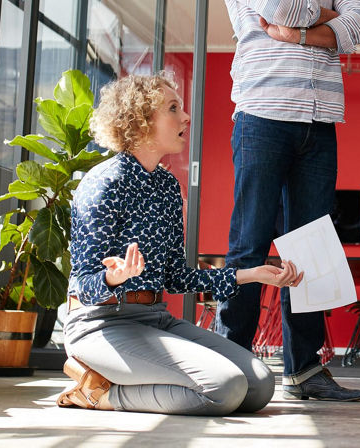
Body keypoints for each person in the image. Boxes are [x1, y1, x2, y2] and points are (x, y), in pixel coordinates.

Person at [216, 0, 360, 401]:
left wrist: (299, 32)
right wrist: (324, 16)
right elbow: (277, 3)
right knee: (250, 242)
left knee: (312, 248)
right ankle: (230, 362)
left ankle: (305, 370)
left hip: (320, 121)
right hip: (262, 117)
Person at [58, 73, 306, 416]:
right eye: (173, 108)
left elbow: (176, 277)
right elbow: (84, 286)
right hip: (101, 324)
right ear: (141, 121)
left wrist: (250, 275)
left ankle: (119, 382)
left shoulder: (167, 187)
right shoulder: (103, 184)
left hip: (155, 317)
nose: (186, 117)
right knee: (225, 388)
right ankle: (100, 394)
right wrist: (113, 279)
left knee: (260, 384)